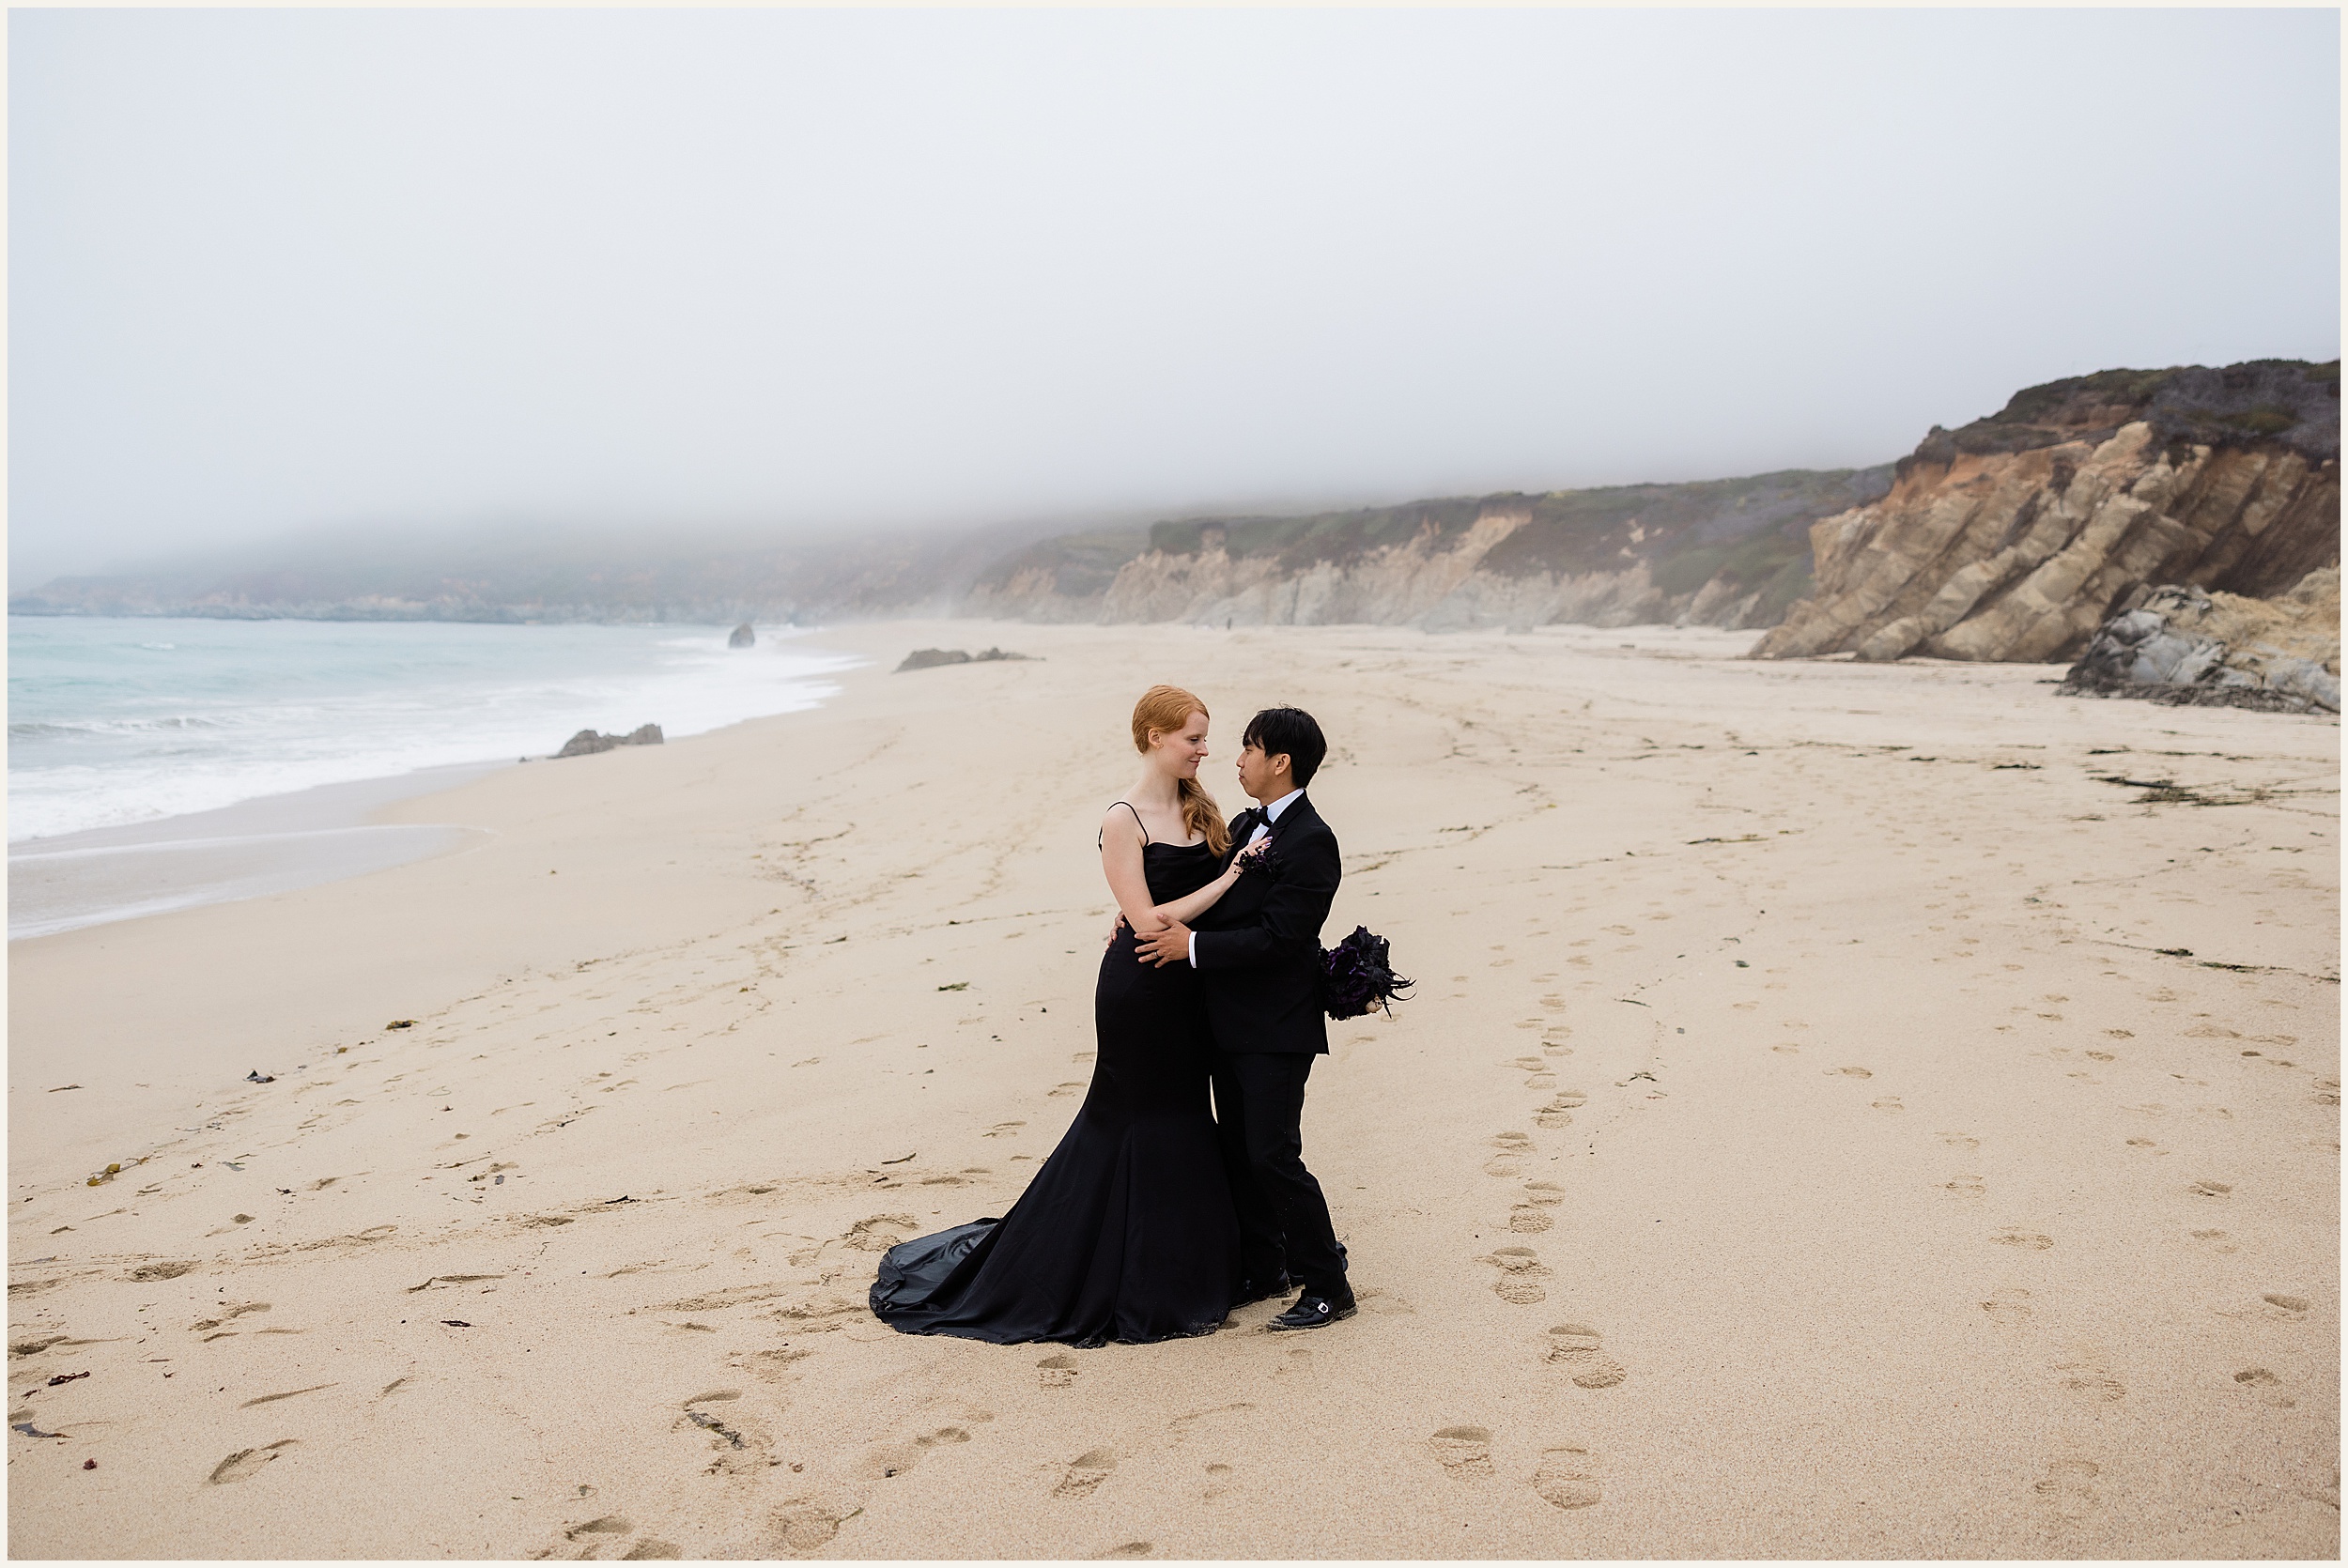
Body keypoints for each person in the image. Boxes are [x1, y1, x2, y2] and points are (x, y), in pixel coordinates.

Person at [868, 685, 1262, 1346]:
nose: (1204, 749)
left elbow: (1185, 909)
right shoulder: (1122, 819)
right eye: (1193, 738)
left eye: (1204, 737)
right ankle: (1114, 1270)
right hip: (1139, 993)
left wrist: (1215, 892)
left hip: (1193, 985)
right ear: (1154, 738)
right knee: (1130, 1121)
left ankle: (1192, 1266)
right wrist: (1229, 880)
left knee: (1187, 1119)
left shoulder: (1205, 810)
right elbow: (1143, 922)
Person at [1135, 707, 1352, 1331]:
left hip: (1277, 1029)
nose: (1237, 760)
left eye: (1248, 748)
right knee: (1237, 1149)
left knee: (1273, 1156)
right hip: (1227, 1021)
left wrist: (1191, 949)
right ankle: (1266, 1266)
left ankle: (1329, 1286)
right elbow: (1219, 897)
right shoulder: (1245, 823)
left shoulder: (1313, 840)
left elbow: (1283, 938)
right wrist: (1145, 914)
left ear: (1279, 760)